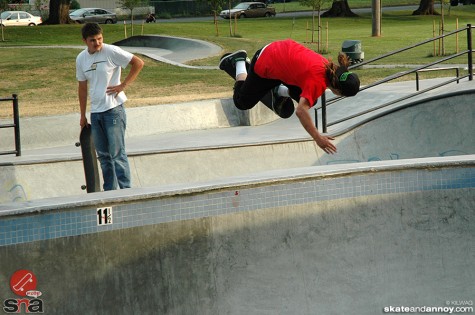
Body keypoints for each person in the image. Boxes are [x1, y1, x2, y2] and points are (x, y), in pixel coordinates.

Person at [219, 39, 360, 155]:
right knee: (242, 102)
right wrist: (318, 138)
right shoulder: (317, 82)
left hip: (278, 53)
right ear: (338, 91)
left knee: (310, 99)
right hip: (265, 63)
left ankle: (278, 91)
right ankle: (238, 61)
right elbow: (300, 111)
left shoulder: (328, 66)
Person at [76, 22, 144, 191]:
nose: (97, 43)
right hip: (96, 113)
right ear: (85, 41)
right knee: (104, 156)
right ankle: (110, 192)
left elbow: (138, 63)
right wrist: (83, 114)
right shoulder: (81, 59)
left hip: (113, 110)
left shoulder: (111, 51)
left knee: (117, 154)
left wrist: (123, 85)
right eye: (93, 40)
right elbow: (82, 88)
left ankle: (126, 190)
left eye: (99, 39)